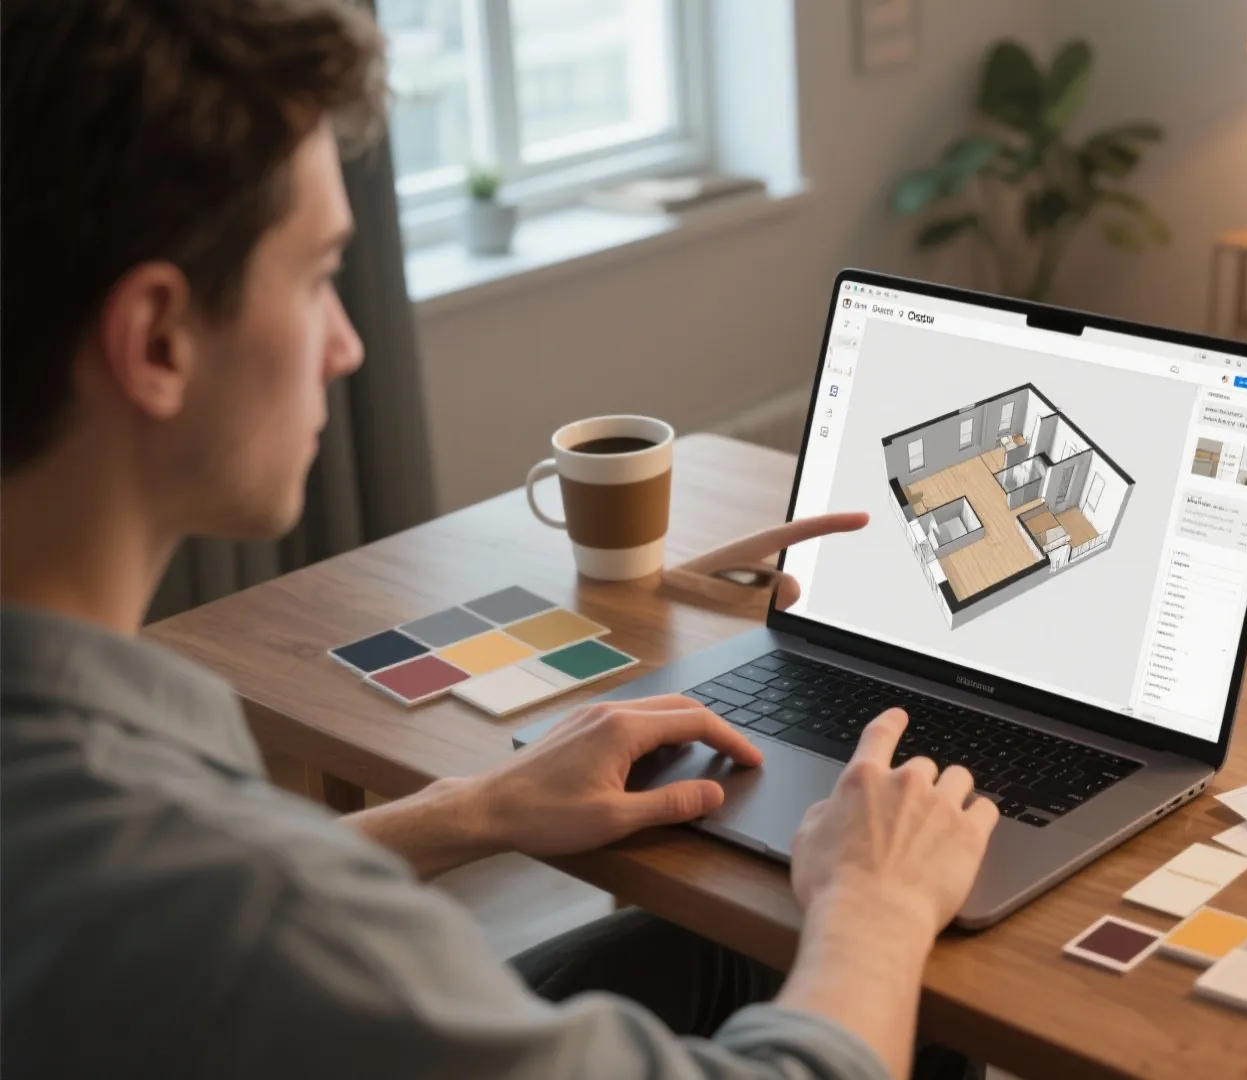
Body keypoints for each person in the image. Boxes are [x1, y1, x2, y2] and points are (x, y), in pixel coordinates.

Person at [0, 2, 996, 1078]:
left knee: (719, 949)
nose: (346, 344)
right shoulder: (252, 911)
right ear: (157, 339)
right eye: (319, 275)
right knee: (892, 982)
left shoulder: (113, 836)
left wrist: (470, 810)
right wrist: (872, 903)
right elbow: (233, 920)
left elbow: (166, 919)